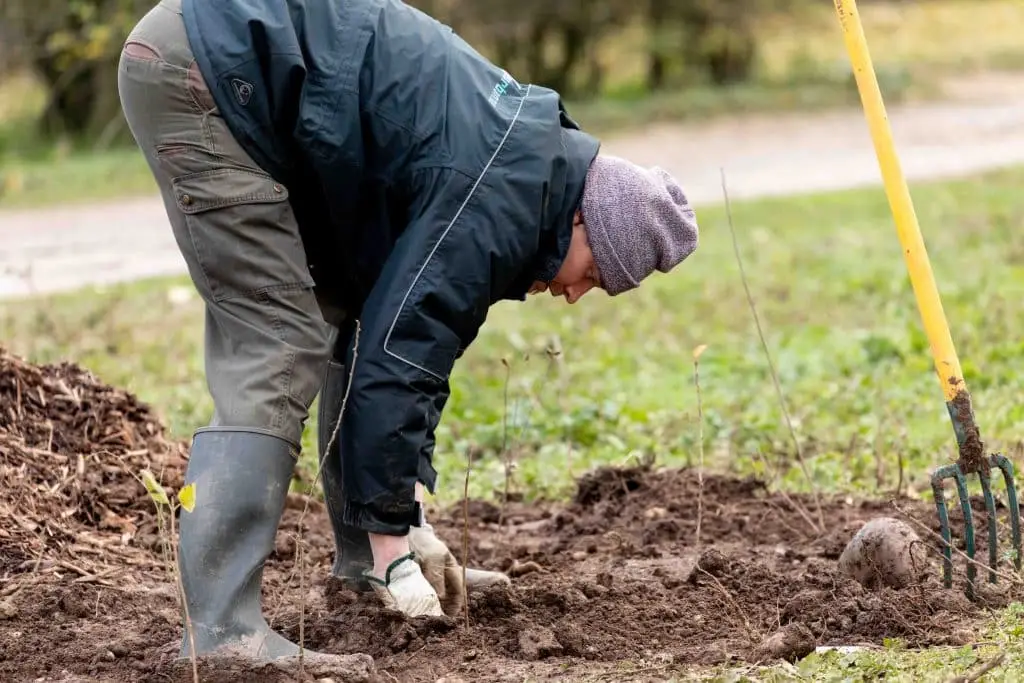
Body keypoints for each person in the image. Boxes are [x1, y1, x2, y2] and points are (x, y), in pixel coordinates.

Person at [117, 0, 699, 669]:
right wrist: (397, 542)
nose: (572, 294)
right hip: (209, 72)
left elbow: (397, 334)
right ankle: (222, 635)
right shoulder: (499, 194)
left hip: (228, 60)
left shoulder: (518, 165)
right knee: (278, 340)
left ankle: (360, 563)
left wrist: (406, 513)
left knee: (351, 310)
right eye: (592, 273)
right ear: (581, 222)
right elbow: (405, 351)